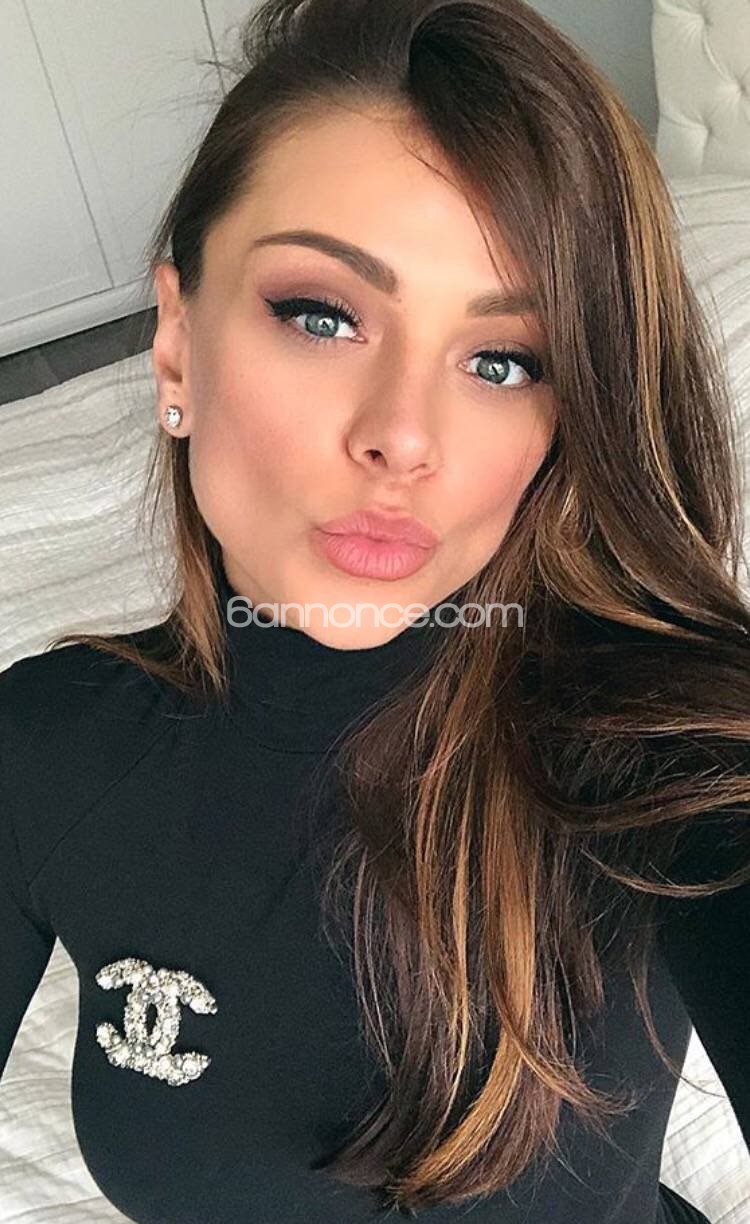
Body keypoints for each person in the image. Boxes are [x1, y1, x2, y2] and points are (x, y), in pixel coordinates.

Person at [1, 0, 748, 1221]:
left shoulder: (670, 753)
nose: (404, 435)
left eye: (502, 360)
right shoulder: (43, 745)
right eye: (323, 315)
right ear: (176, 344)